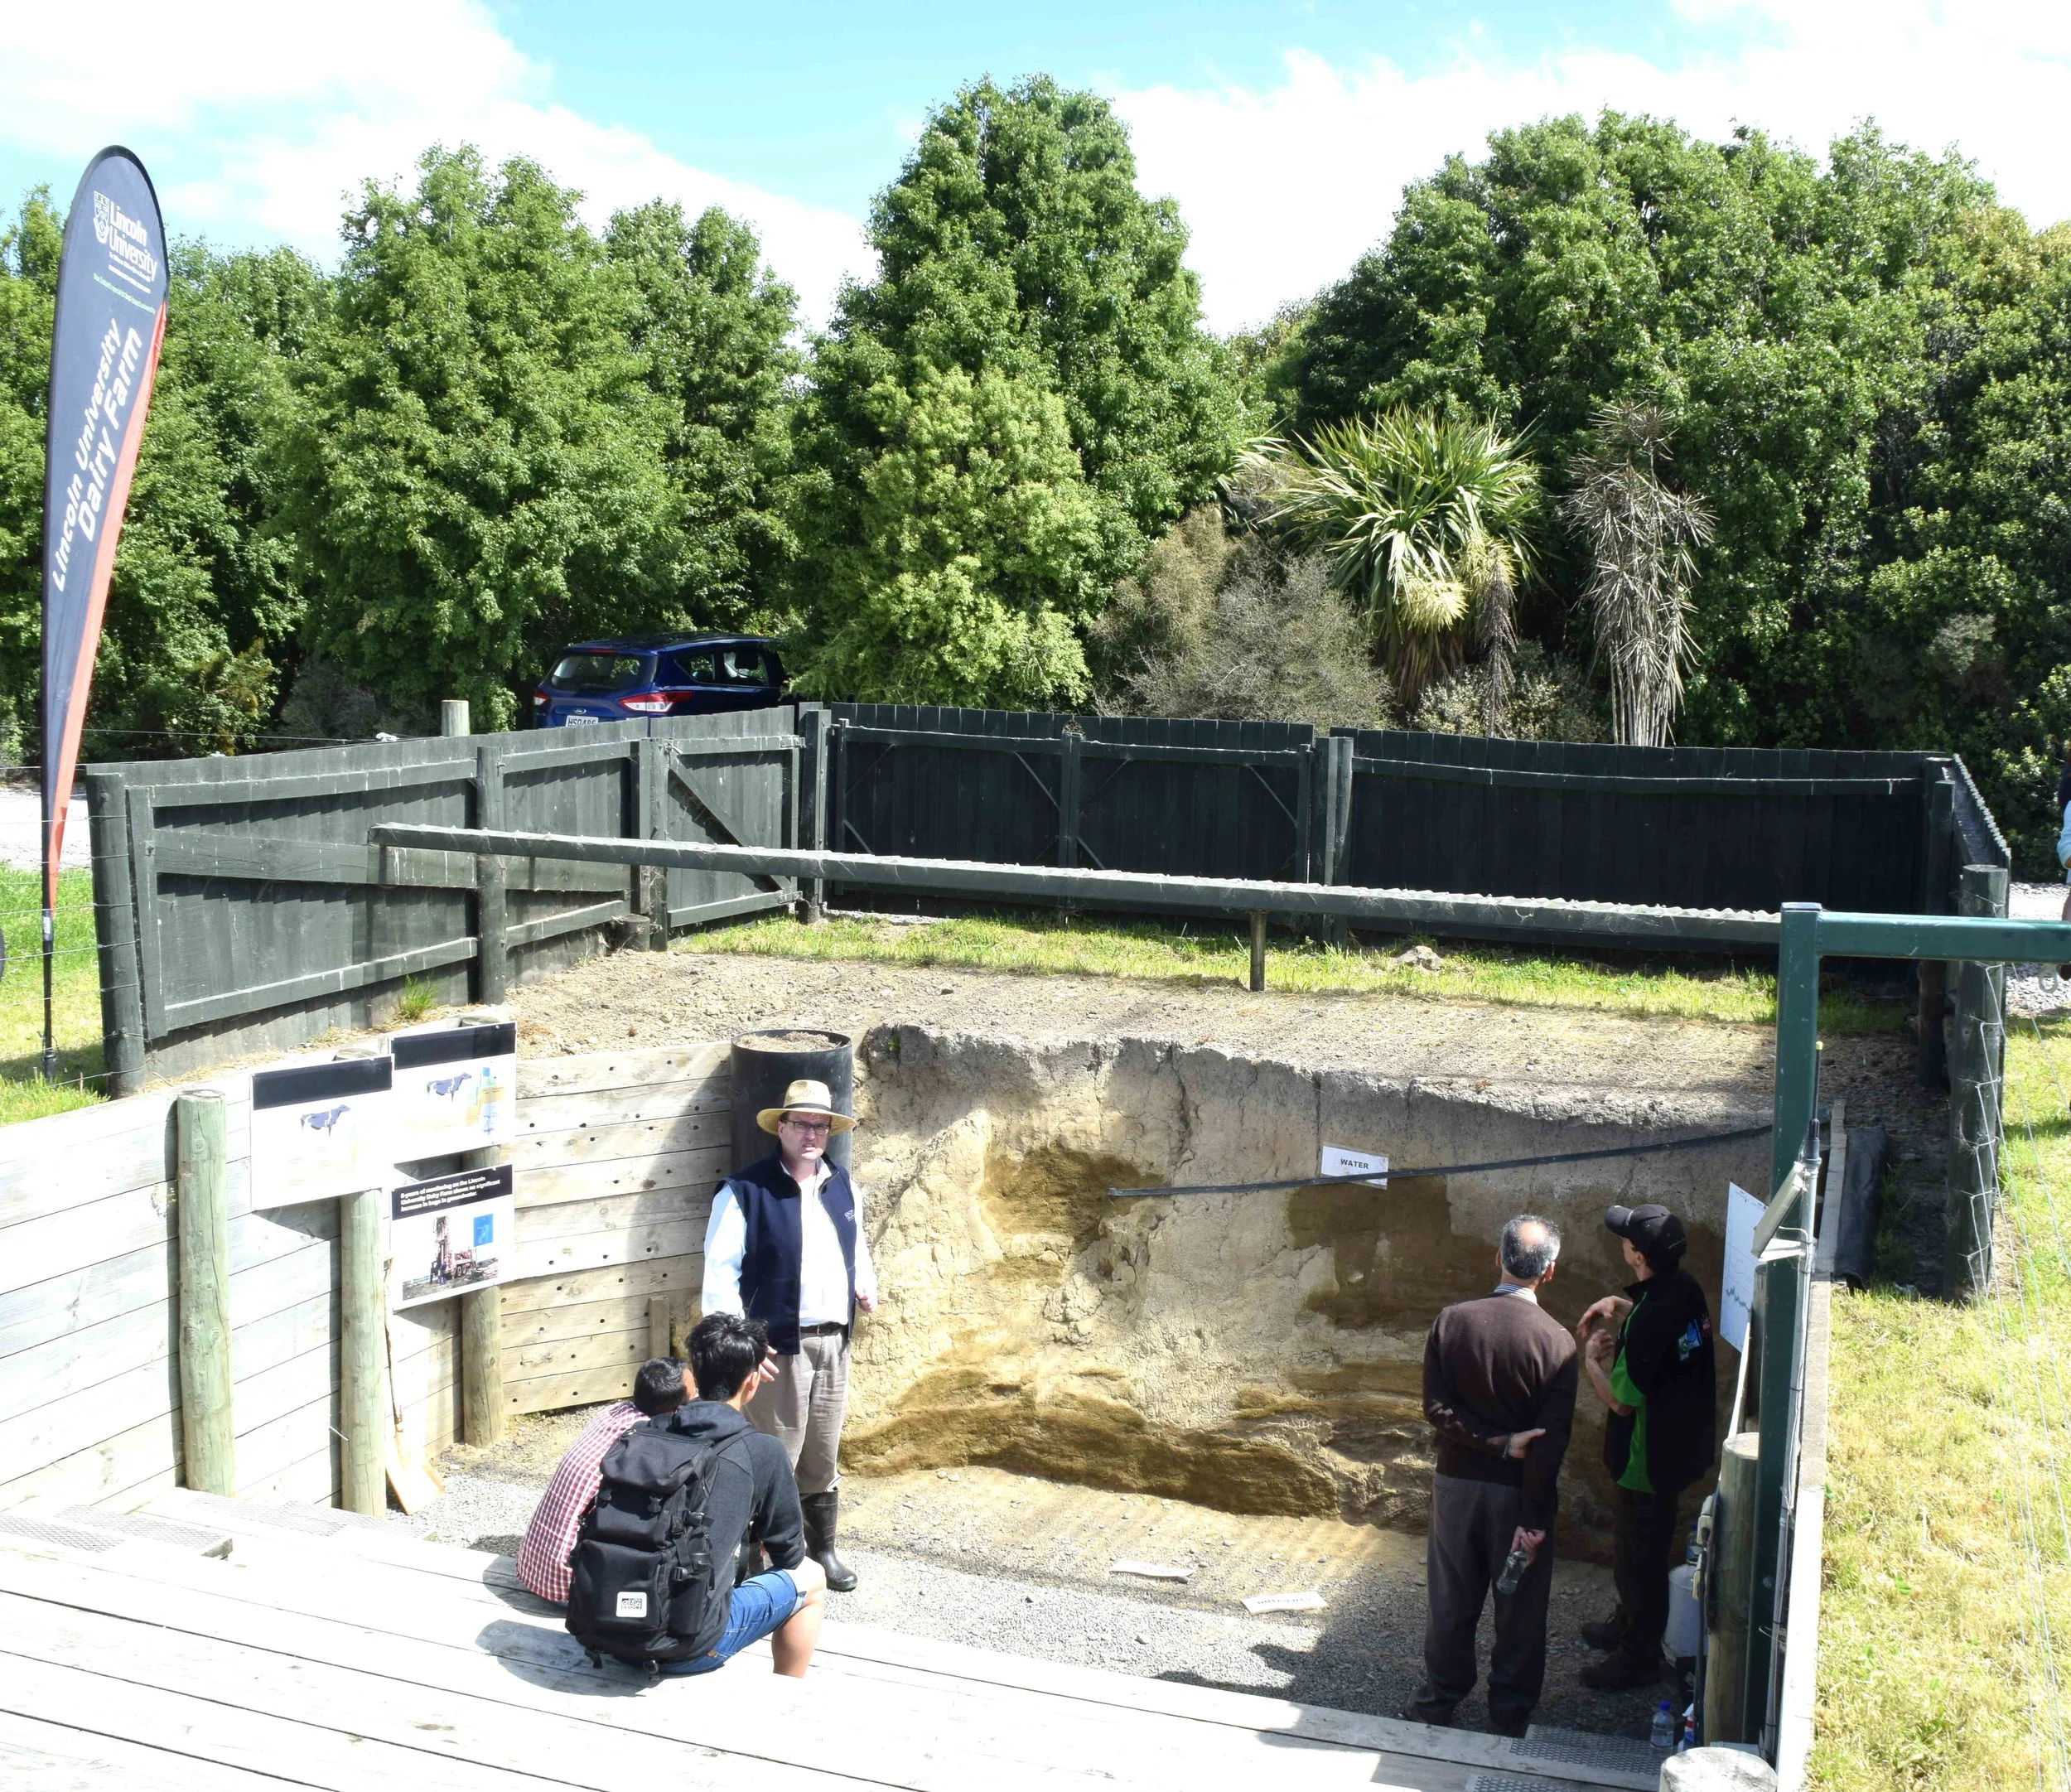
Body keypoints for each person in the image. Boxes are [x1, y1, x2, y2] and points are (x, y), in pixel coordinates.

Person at [1404, 1215, 1580, 1737]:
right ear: (1549, 1272)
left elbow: (1436, 1409)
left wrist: (1490, 1444)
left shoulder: (1452, 1321)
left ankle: (1436, 1702)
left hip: (1455, 1486)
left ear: (1497, 1258)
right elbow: (1551, 1448)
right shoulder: (1558, 1343)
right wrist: (1534, 1516)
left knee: (1451, 1600)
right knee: (1520, 1611)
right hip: (1518, 1499)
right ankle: (1508, 1718)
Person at [702, 1076, 878, 1592]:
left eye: (820, 1125)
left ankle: (820, 1551)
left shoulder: (843, 1184)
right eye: (800, 1123)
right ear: (780, 1126)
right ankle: (756, 1560)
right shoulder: (744, 1192)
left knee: (822, 1452)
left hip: (834, 1342)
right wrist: (744, 1349)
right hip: (776, 1347)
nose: (811, 1134)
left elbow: (856, 1249)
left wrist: (864, 1285)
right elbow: (719, 1276)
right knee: (773, 1453)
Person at [1574, 1202, 1718, 1692]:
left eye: (1626, 1239)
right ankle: (1627, 1623)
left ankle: (1636, 1657)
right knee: (1642, 1551)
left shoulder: (1653, 1319)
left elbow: (1621, 1403)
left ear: (1638, 1255)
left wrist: (1591, 1362)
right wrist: (1622, 1307)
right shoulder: (1684, 1288)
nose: (1622, 1242)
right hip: (1682, 1445)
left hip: (1647, 1461)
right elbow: (1661, 1326)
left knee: (1640, 1561)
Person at [656, 1310, 828, 1678]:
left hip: (606, 1626)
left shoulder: (647, 1431)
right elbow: (790, 1555)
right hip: (689, 1647)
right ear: (752, 1382)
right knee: (812, 1580)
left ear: (697, 1376)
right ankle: (787, 1695)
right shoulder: (763, 1451)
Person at [517, 1355, 690, 1602]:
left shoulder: (613, 1412)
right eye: (694, 1397)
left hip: (535, 1567)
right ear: (675, 1408)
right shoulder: (645, 1440)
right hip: (571, 1585)